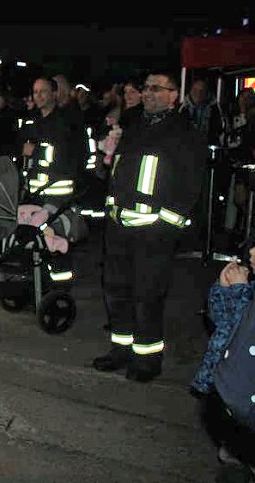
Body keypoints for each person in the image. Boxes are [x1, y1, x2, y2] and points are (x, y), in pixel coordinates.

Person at [92, 71, 206, 382]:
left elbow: (190, 186)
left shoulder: (185, 132)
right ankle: (120, 350)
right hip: (119, 228)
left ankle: (147, 360)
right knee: (117, 292)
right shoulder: (133, 126)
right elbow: (116, 171)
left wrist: (166, 225)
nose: (148, 93)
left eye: (157, 88)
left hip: (154, 233)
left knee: (147, 297)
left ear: (174, 95)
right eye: (146, 88)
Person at [191, 246, 255, 480]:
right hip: (236, 412)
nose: (251, 251)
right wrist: (224, 290)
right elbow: (224, 323)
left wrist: (238, 291)